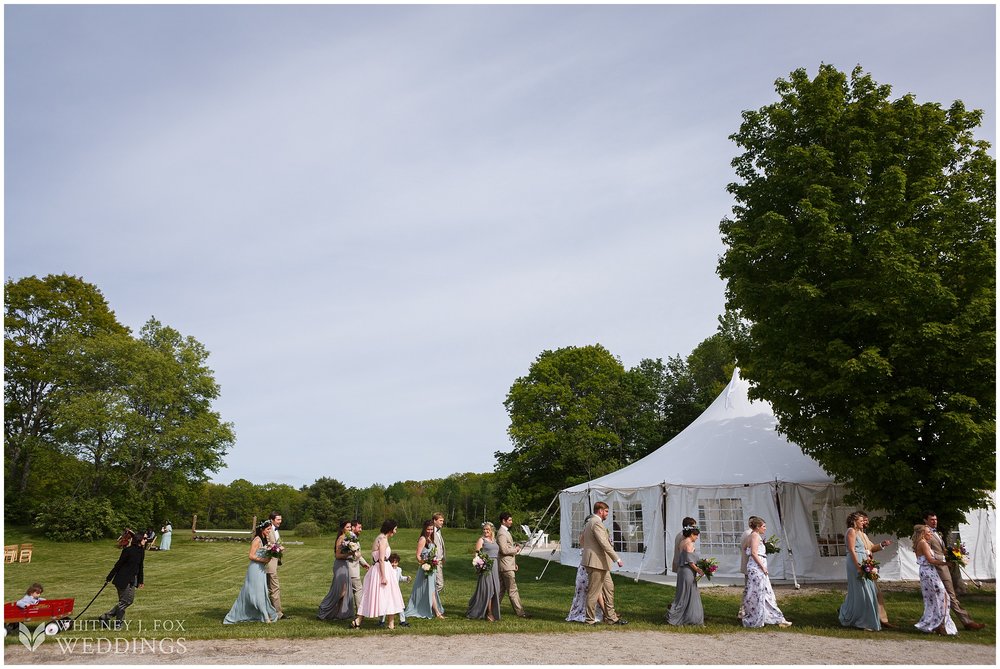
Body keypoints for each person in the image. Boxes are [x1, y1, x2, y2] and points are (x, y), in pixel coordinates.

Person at [922, 511, 984, 630]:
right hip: (937, 568)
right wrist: (943, 559)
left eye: (935, 519)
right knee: (948, 595)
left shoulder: (936, 533)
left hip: (943, 566)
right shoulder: (925, 533)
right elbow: (925, 550)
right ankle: (966, 622)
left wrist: (954, 554)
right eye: (931, 520)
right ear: (925, 520)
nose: (934, 522)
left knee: (945, 596)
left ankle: (942, 623)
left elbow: (940, 549)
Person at [352, 519, 405, 630]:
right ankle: (389, 624)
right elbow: (381, 559)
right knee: (389, 595)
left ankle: (360, 620)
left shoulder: (379, 537)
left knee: (374, 595)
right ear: (390, 529)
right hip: (382, 569)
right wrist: (384, 576)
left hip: (379, 568)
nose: (395, 531)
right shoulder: (383, 539)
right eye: (395, 529)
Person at [580, 501, 627, 626]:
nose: (607, 514)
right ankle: (589, 620)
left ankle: (611, 618)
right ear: (600, 511)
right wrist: (617, 558)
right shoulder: (596, 523)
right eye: (606, 511)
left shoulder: (593, 522)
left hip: (601, 563)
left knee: (609, 588)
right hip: (596, 563)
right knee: (594, 592)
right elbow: (603, 543)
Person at [741, 518, 792, 628]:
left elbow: (745, 547)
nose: (765, 528)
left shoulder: (751, 535)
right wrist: (762, 566)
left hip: (754, 566)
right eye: (763, 526)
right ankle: (762, 618)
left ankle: (774, 617)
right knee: (760, 593)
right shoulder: (754, 536)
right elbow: (754, 553)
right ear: (758, 527)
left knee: (763, 592)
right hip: (757, 567)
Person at [224, 521, 279, 624]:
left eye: (270, 529)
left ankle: (262, 613)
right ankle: (265, 617)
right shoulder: (257, 540)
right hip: (255, 569)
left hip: (261, 569)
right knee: (256, 592)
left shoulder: (264, 540)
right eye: (267, 529)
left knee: (262, 592)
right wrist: (263, 560)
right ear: (262, 529)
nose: (269, 531)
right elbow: (251, 556)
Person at [912, 524, 958, 636]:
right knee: (941, 597)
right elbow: (930, 560)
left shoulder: (923, 543)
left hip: (929, 572)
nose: (931, 534)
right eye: (929, 532)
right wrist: (946, 563)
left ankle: (937, 623)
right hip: (929, 573)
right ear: (923, 533)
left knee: (935, 598)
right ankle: (938, 624)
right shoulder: (923, 543)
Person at [838, 511, 880, 631]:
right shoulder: (851, 531)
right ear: (855, 521)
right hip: (855, 561)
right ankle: (862, 619)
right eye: (861, 521)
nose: (863, 523)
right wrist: (858, 567)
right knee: (862, 590)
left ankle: (866, 619)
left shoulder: (859, 533)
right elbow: (851, 550)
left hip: (863, 560)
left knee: (869, 589)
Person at [99, 529, 146, 630]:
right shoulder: (127, 551)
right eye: (145, 538)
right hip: (122, 579)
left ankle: (106, 617)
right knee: (124, 602)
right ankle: (118, 623)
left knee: (127, 601)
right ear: (139, 539)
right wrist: (109, 578)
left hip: (133, 580)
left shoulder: (141, 551)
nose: (146, 540)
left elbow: (140, 566)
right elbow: (118, 564)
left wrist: (141, 581)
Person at [858, 512, 894, 628]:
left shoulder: (864, 534)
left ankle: (882, 619)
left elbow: (871, 547)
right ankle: (848, 611)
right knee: (865, 594)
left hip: (868, 566)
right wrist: (866, 553)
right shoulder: (854, 534)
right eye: (864, 520)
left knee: (876, 593)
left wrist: (881, 545)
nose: (866, 522)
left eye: (866, 520)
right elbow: (853, 551)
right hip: (861, 567)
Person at [403, 520, 445, 619]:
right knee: (430, 590)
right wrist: (425, 564)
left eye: (431, 529)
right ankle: (437, 613)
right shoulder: (423, 539)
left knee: (432, 590)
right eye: (428, 529)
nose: (430, 531)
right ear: (424, 529)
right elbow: (418, 555)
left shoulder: (430, 538)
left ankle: (435, 611)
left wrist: (434, 562)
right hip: (425, 569)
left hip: (432, 568)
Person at [666, 525, 704, 626]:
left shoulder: (682, 542)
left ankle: (678, 614)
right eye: (696, 535)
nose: (697, 537)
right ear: (692, 534)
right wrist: (698, 569)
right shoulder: (689, 544)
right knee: (688, 593)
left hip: (682, 570)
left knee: (682, 593)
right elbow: (690, 561)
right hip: (688, 571)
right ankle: (688, 617)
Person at [317, 520, 355, 621]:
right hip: (340, 566)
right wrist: (349, 554)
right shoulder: (341, 539)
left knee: (345, 590)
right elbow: (337, 555)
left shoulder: (349, 538)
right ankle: (324, 608)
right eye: (347, 527)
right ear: (343, 528)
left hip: (345, 565)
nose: (350, 529)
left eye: (350, 527)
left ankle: (340, 613)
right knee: (339, 591)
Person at [497, 512, 531, 618]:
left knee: (501, 590)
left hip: (507, 565)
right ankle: (520, 612)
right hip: (506, 566)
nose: (511, 522)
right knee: (512, 590)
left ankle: (491, 609)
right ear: (504, 521)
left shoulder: (504, 532)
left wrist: (514, 564)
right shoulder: (502, 533)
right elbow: (503, 550)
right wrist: (515, 549)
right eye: (510, 520)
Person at [467, 522, 502, 621]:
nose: (486, 531)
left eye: (488, 530)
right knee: (488, 589)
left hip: (495, 566)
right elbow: (477, 555)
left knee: (496, 589)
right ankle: (489, 613)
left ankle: (491, 611)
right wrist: (480, 566)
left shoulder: (494, 541)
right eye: (484, 529)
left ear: (492, 531)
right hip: (486, 567)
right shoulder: (481, 540)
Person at [666, 516, 697, 610]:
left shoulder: (680, 535)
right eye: (694, 526)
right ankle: (679, 607)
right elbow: (685, 554)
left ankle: (682, 606)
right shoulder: (683, 537)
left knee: (683, 589)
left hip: (682, 563)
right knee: (684, 589)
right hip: (684, 565)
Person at [737, 515, 762, 620]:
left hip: (749, 564)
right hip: (751, 565)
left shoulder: (747, 533)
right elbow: (751, 551)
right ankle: (744, 611)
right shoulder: (750, 534)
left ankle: (748, 610)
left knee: (750, 589)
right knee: (750, 589)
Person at [379, 554, 411, 628]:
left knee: (399, 605)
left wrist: (406, 578)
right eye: (392, 562)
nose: (394, 564)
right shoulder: (387, 570)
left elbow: (400, 578)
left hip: (396, 591)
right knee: (384, 605)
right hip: (387, 590)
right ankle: (381, 621)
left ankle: (402, 621)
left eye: (396, 562)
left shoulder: (399, 570)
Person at [265, 511, 285, 619]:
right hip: (269, 563)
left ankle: (272, 612)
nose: (280, 521)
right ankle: (278, 613)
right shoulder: (268, 530)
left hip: (274, 562)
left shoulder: (275, 530)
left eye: (280, 519)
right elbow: (267, 544)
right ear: (272, 520)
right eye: (278, 519)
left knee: (271, 588)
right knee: (274, 587)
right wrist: (277, 548)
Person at [348, 519, 371, 613]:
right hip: (351, 569)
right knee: (358, 590)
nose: (361, 529)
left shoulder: (353, 538)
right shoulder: (349, 538)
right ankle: (360, 613)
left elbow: (357, 554)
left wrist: (364, 563)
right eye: (359, 527)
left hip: (351, 568)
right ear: (353, 527)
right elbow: (355, 554)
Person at [432, 512, 447, 594]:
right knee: (439, 584)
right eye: (440, 520)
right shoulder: (431, 531)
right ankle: (430, 601)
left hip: (439, 561)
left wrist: (443, 557)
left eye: (443, 521)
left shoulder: (439, 531)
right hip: (435, 561)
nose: (442, 522)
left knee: (435, 583)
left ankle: (432, 604)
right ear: (434, 520)